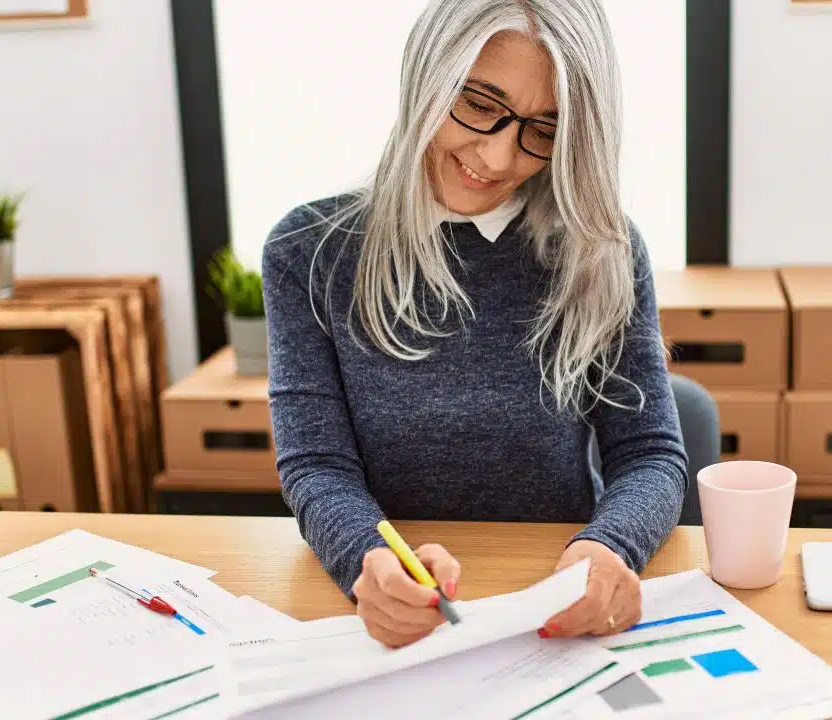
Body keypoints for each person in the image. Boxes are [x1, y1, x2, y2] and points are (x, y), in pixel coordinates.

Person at [261, 0, 687, 649]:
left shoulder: (601, 250)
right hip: (399, 601)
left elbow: (650, 454)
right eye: (479, 104)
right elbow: (317, 464)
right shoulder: (308, 251)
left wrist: (607, 545)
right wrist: (364, 562)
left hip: (553, 600)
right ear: (428, 74)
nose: (496, 156)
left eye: (542, 130)